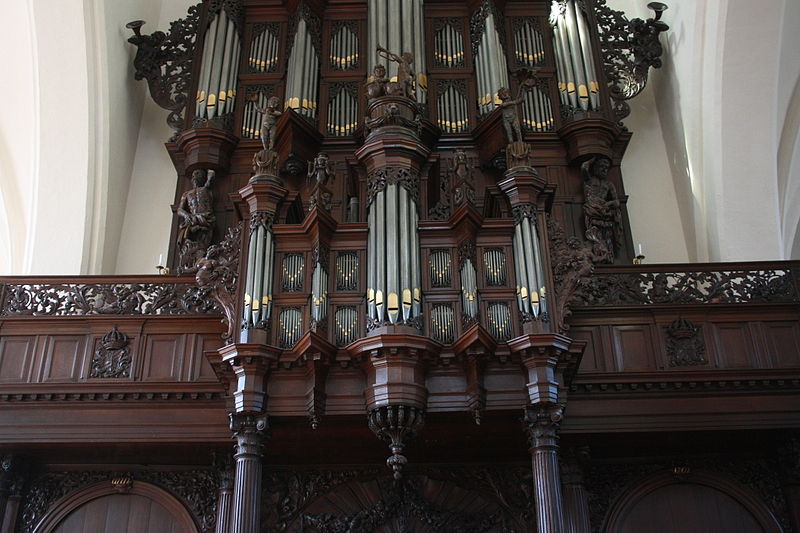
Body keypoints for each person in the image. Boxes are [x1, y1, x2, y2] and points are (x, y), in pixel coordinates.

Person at [582, 156, 622, 263]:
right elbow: (584, 168)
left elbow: (617, 202)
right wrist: (592, 159)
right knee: (595, 233)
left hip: (604, 210)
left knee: (607, 234)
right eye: (601, 166)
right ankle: (599, 251)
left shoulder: (609, 184)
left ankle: (608, 254)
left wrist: (607, 204)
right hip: (592, 208)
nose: (604, 169)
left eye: (606, 167)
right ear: (595, 168)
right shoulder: (589, 180)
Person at [176, 169, 216, 271]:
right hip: (192, 219)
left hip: (205, 218)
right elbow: (180, 209)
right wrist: (186, 215)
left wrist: (210, 176)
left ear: (203, 177)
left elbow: (210, 180)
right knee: (189, 240)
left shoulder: (206, 189)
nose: (194, 176)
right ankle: (190, 264)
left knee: (202, 243)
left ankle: (199, 262)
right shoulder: (186, 194)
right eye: (193, 175)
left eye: (198, 174)